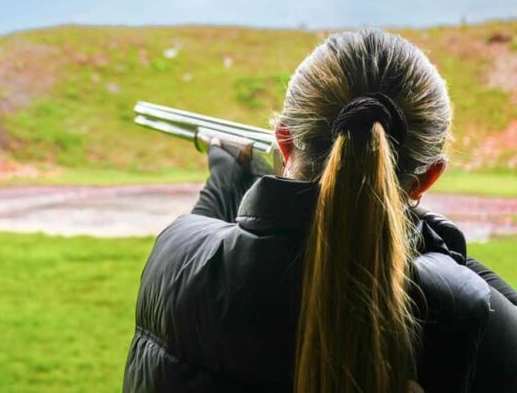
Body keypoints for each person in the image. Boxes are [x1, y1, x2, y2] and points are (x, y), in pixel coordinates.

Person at [122, 29, 517, 393]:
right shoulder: (467, 312)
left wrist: (225, 182)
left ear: (284, 143)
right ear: (428, 177)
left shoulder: (173, 260)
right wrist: (427, 236)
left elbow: (200, 244)